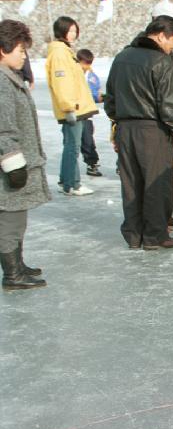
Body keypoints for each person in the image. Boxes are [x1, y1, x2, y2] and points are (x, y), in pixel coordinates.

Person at [104, 15, 173, 251]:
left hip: (125, 128)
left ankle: (134, 234)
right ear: (162, 35)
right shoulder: (160, 61)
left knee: (130, 183)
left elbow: (110, 98)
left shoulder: (121, 57)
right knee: (156, 182)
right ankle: (154, 235)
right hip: (153, 130)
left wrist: (117, 124)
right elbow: (170, 102)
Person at [0, 19, 48, 290]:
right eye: (19, 49)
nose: (24, 55)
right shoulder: (1, 82)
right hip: (10, 165)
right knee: (9, 220)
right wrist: (14, 165)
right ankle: (12, 275)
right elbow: (3, 128)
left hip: (17, 161)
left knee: (17, 218)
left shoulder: (9, 77)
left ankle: (17, 264)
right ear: (2, 50)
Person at [46, 16, 98, 196]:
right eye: (70, 31)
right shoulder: (60, 53)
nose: (73, 34)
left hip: (77, 106)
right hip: (73, 108)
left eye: (75, 31)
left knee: (71, 145)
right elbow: (62, 82)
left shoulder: (66, 51)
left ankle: (66, 180)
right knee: (72, 147)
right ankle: (72, 184)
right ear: (61, 31)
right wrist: (68, 107)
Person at [76, 49, 103, 178]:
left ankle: (92, 163)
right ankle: (70, 169)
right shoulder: (73, 75)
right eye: (84, 63)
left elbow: (96, 94)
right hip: (75, 112)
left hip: (87, 113)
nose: (86, 66)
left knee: (87, 139)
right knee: (74, 141)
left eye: (88, 63)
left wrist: (100, 98)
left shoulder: (92, 77)